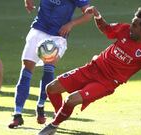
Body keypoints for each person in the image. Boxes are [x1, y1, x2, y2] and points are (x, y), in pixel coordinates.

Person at [38, 6, 141, 135]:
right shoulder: (125, 29)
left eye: (135, 25)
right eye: (132, 23)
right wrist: (97, 15)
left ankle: (53, 126)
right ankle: (61, 114)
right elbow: (107, 29)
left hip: (105, 83)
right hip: (91, 68)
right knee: (51, 88)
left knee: (71, 100)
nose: (130, 27)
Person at [8, 0, 92, 128]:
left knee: (48, 68)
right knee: (26, 70)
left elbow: (88, 13)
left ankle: (40, 106)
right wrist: (28, 2)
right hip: (38, 29)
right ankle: (17, 115)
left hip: (57, 36)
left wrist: (71, 24)